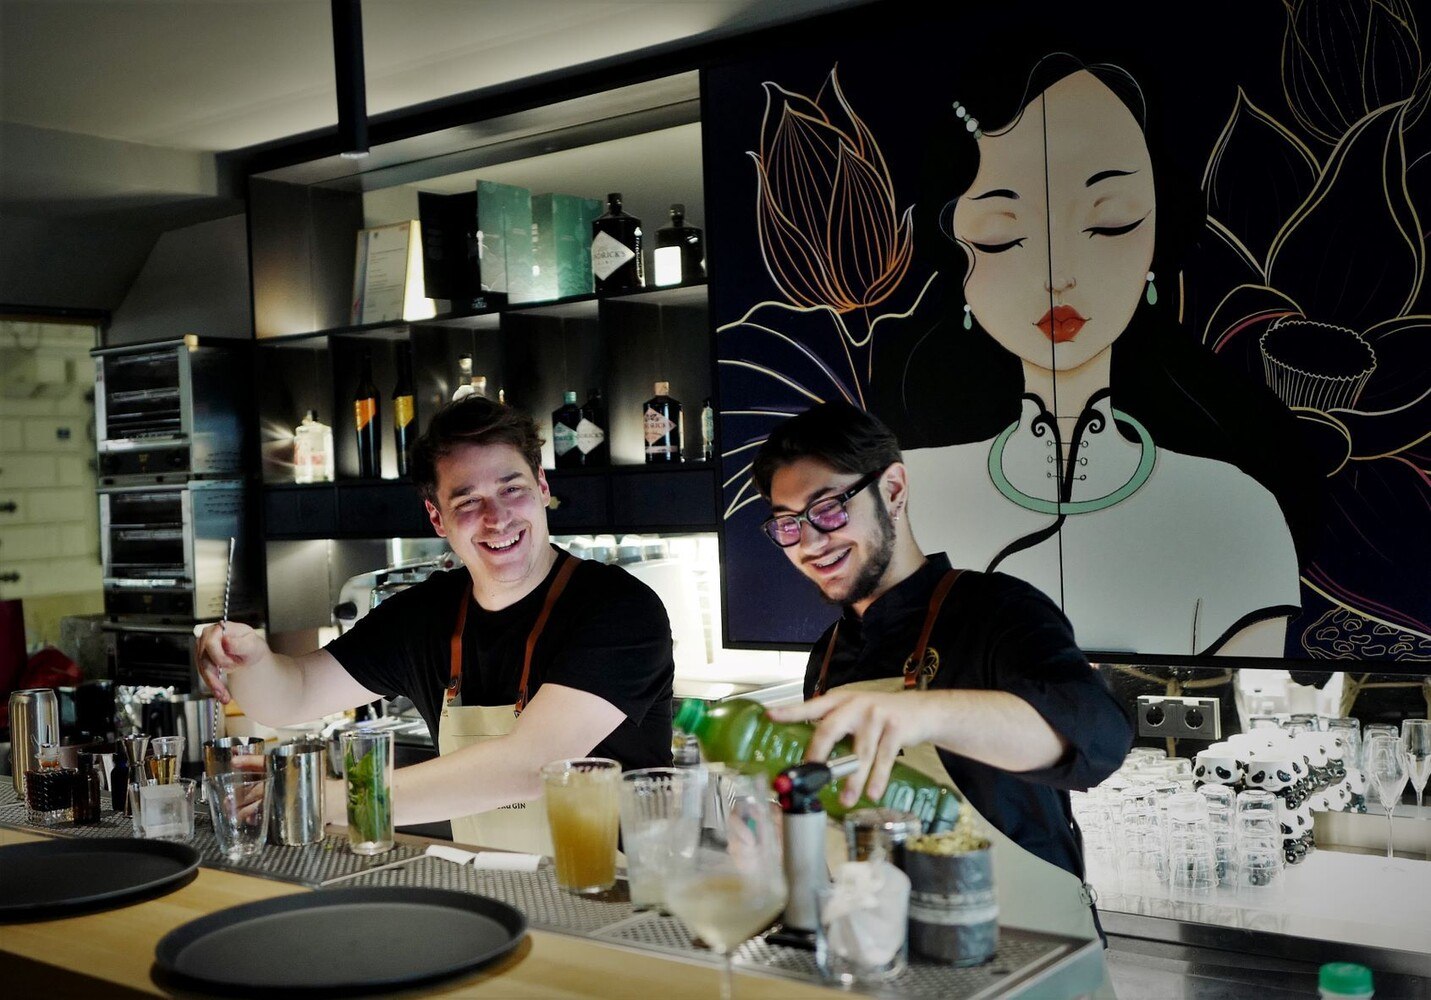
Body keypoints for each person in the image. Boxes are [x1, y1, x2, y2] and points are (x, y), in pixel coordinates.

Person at [888, 53, 1314, 660]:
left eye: (1108, 223)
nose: (1056, 277)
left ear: (1154, 239)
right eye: (1001, 236)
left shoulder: (1237, 513)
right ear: (958, 261)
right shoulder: (907, 490)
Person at [196, 396, 675, 852]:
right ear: (437, 518)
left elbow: (531, 767)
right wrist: (248, 658)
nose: (497, 518)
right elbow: (292, 694)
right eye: (467, 502)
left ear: (543, 488)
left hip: (620, 903)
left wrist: (327, 799)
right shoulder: (424, 615)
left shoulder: (619, 609)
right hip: (494, 894)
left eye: (512, 489)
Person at [754, 399, 1133, 941]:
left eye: (830, 508)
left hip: (1027, 952)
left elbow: (1100, 737)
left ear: (893, 491)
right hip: (890, 956)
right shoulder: (829, 653)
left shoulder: (998, 609)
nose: (810, 543)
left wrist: (923, 711)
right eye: (788, 524)